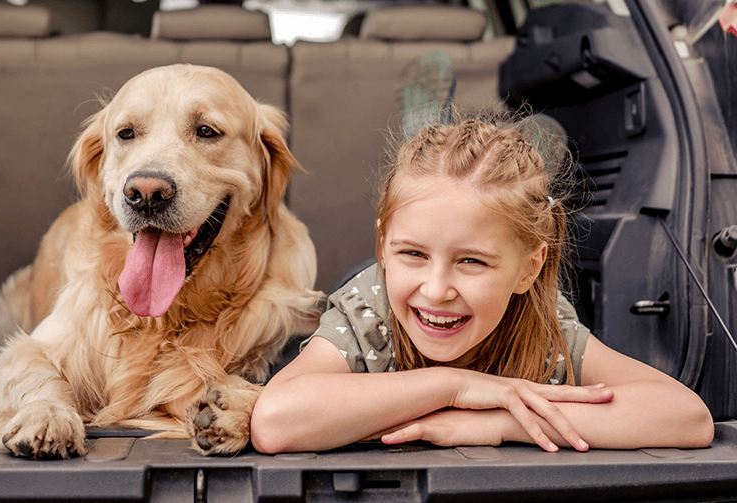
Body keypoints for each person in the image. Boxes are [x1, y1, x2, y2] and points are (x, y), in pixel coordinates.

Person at [250, 108, 714, 454]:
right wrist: (453, 386)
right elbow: (274, 421)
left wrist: (502, 422)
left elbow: (687, 417)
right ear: (384, 244)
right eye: (413, 253)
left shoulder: (542, 327)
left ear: (528, 269)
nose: (436, 289)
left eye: (471, 261)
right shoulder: (366, 314)